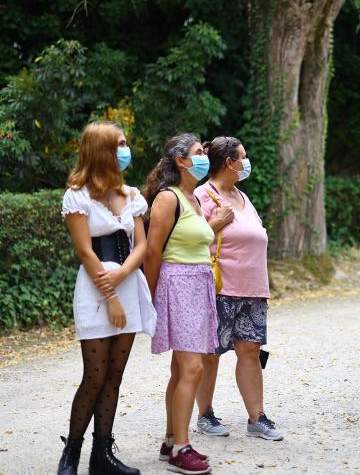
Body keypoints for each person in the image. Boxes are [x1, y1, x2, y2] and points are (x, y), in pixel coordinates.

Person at [58, 121, 156, 475]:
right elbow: (86, 253)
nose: (126, 149)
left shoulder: (132, 195)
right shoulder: (77, 196)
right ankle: (71, 455)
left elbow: (142, 245)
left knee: (115, 375)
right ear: (101, 150)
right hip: (96, 291)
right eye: (120, 143)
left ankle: (102, 456)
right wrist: (112, 294)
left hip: (127, 284)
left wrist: (123, 274)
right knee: (95, 376)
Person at [193, 136, 283, 441]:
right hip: (219, 287)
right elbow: (190, 242)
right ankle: (205, 414)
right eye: (242, 157)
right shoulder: (202, 195)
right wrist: (215, 224)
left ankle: (257, 417)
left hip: (253, 289)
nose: (246, 163)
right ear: (230, 163)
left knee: (251, 350)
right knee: (211, 354)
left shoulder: (244, 197)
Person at [143, 133, 216, 475]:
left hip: (198, 285)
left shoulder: (194, 199)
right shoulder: (167, 199)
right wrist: (153, 296)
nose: (205, 157)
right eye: (199, 152)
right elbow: (152, 251)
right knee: (193, 369)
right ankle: (181, 450)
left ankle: (171, 438)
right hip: (177, 284)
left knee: (180, 369)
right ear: (181, 161)